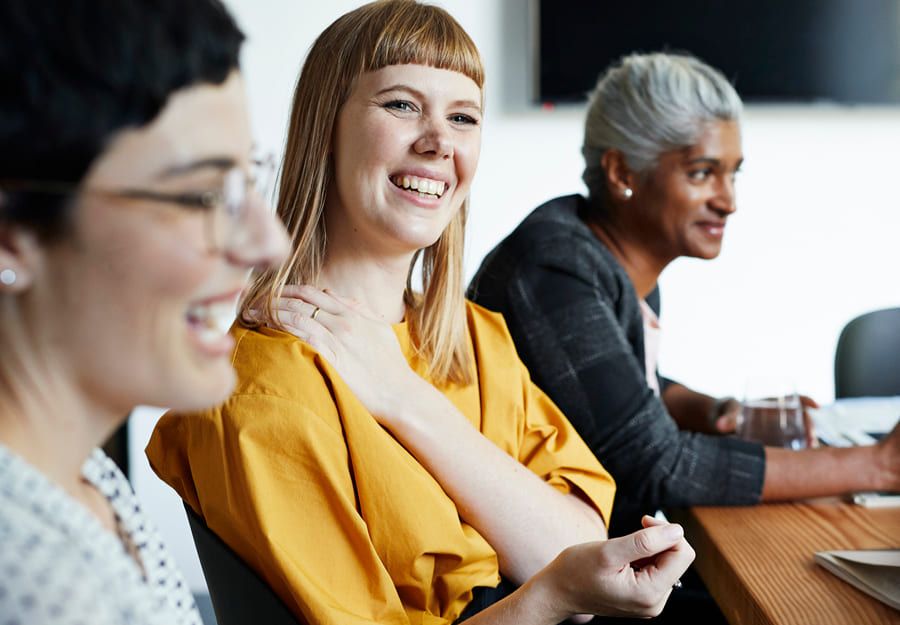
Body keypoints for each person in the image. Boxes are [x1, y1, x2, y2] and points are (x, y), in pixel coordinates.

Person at [147, 3, 694, 624]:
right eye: (401, 105)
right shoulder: (264, 388)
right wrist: (550, 596)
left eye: (463, 117)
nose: (439, 143)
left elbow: (577, 544)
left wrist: (406, 400)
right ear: (325, 126)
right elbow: (573, 579)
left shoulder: (476, 337)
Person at [468, 52, 900, 539]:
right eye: (701, 172)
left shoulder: (606, 256)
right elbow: (656, 464)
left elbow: (618, 388)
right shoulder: (555, 268)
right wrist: (878, 465)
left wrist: (717, 412)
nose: (729, 200)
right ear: (623, 173)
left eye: (733, 172)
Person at [0, 1, 288, 623]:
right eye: (202, 195)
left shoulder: (84, 480)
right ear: (10, 234)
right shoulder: (28, 579)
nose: (270, 245)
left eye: (245, 182)